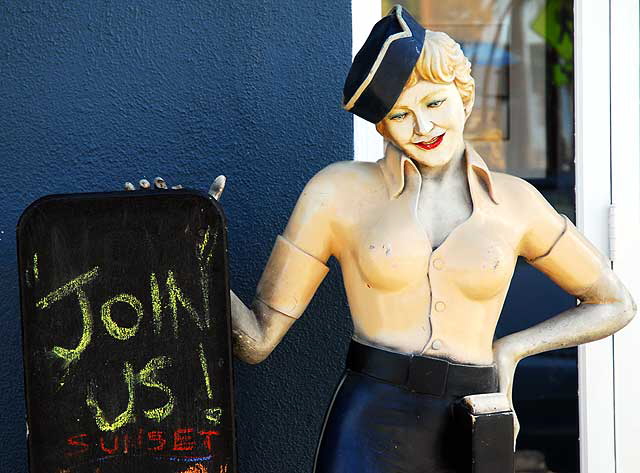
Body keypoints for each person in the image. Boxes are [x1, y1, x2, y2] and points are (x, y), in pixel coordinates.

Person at [228, 5, 636, 472]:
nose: (422, 127)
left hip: (474, 425)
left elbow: (615, 302)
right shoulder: (336, 192)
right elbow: (256, 340)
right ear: (383, 126)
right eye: (400, 115)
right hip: (370, 422)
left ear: (464, 95)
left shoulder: (517, 202)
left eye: (434, 103)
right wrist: (181, 242)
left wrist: (511, 349)